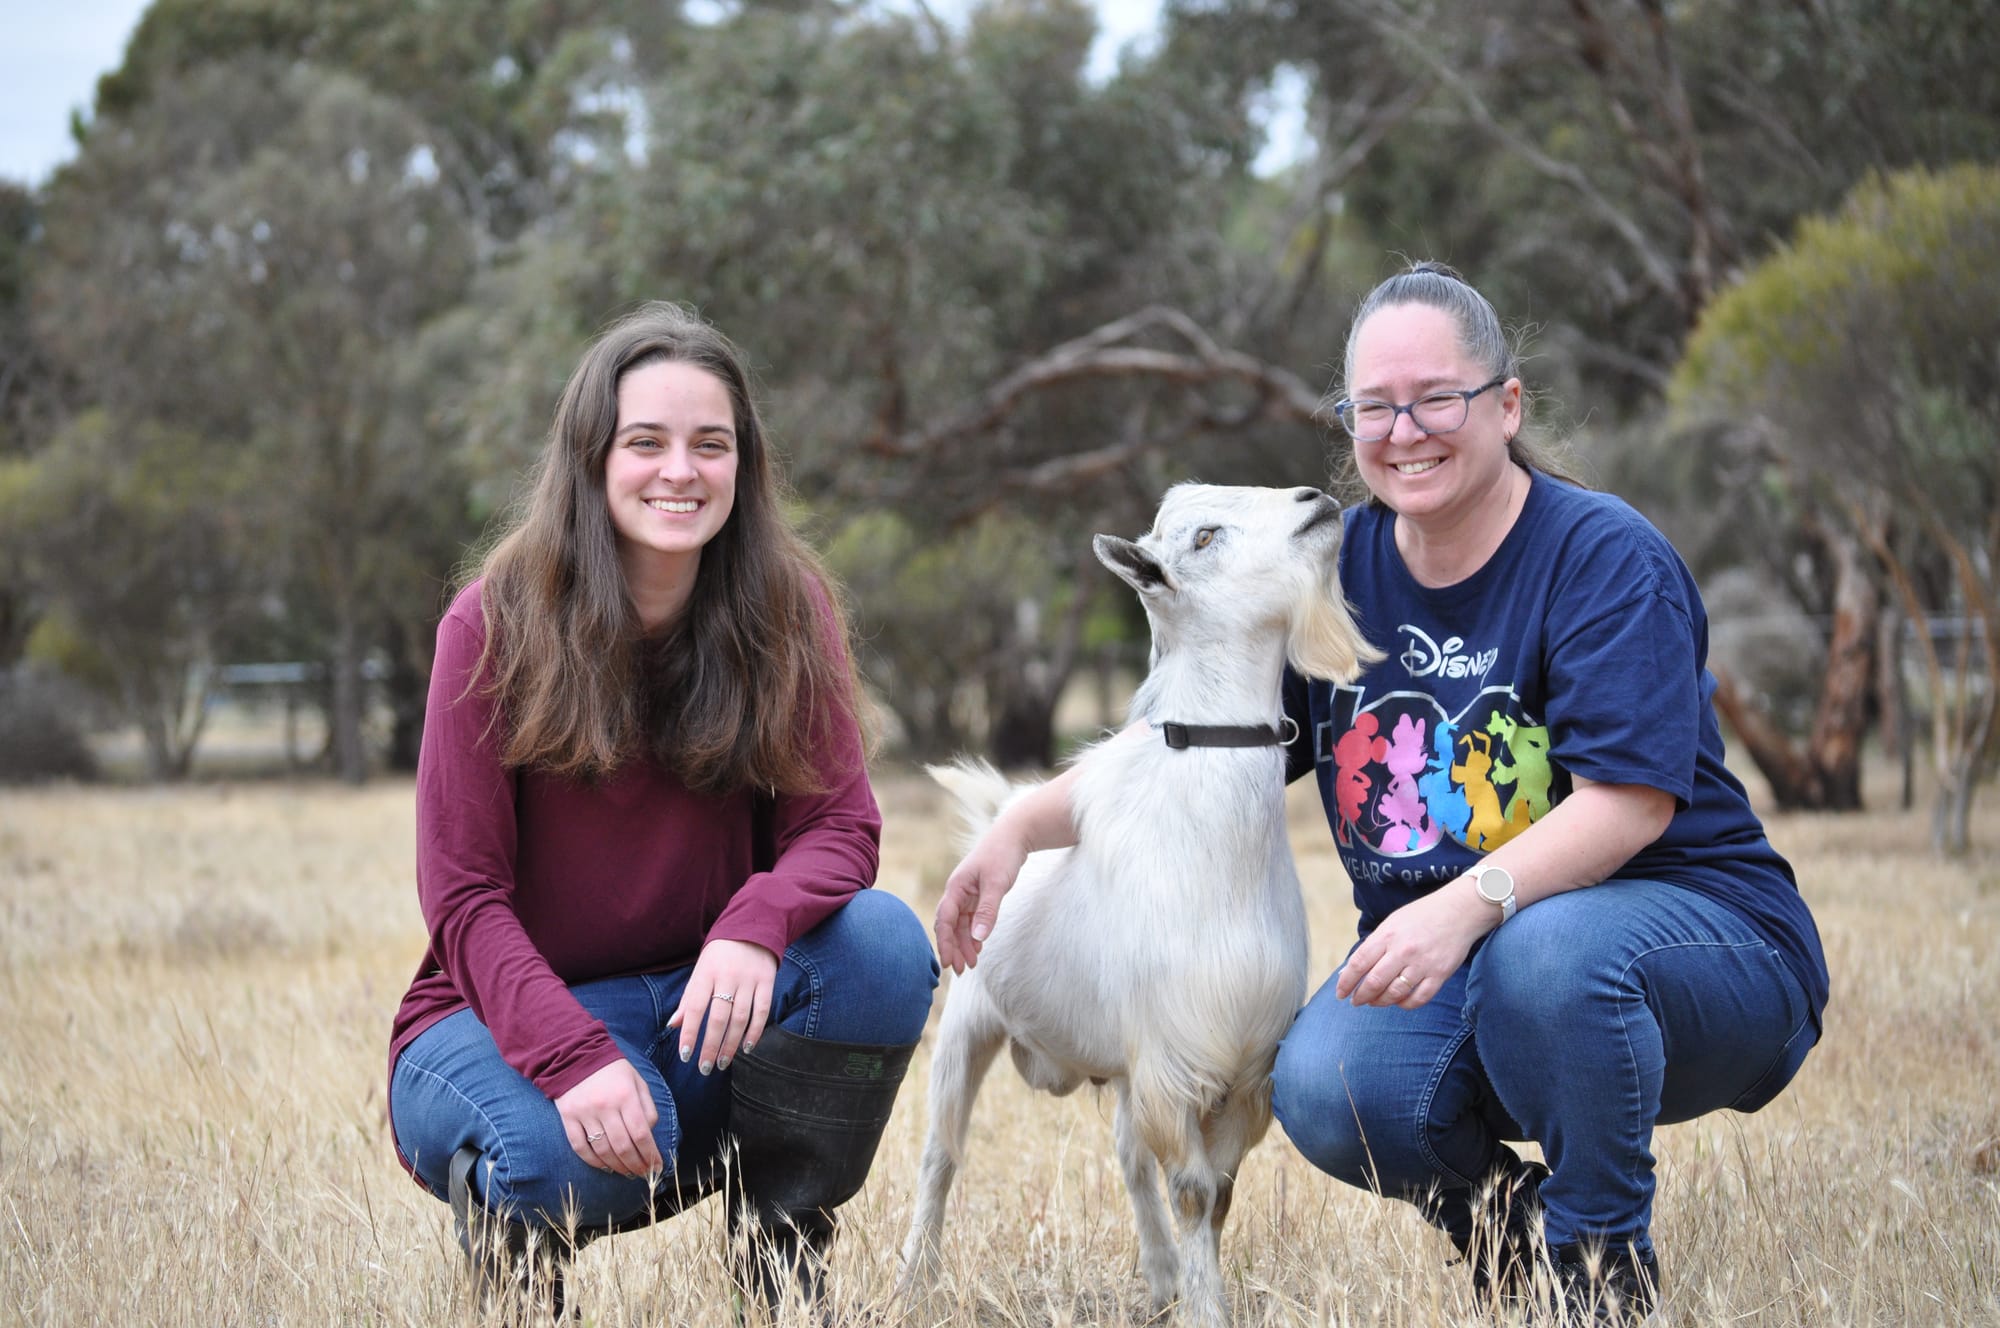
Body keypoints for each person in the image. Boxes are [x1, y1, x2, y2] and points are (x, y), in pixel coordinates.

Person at [932, 262, 1826, 1324]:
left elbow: (1629, 804)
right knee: (1320, 1081)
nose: (1404, 430)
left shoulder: (1600, 558)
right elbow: (1177, 750)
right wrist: (1014, 833)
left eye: (1435, 397)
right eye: (1373, 407)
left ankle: (1597, 1266)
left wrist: (1462, 904)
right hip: (1473, 972)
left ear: (1504, 403)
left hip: (1700, 955)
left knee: (1545, 954)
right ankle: (1505, 1226)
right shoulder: (1333, 571)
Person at [387, 302, 938, 1318]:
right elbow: (462, 896)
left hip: (700, 1005)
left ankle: (776, 1257)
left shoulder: (785, 605)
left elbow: (841, 829)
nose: (678, 470)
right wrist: (573, 1056)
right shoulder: (492, 623)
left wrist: (754, 924)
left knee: (883, 946)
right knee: (558, 1157)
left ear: (743, 463)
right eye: (646, 442)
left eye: (709, 444)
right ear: (593, 454)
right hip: (498, 1023)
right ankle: (513, 1238)